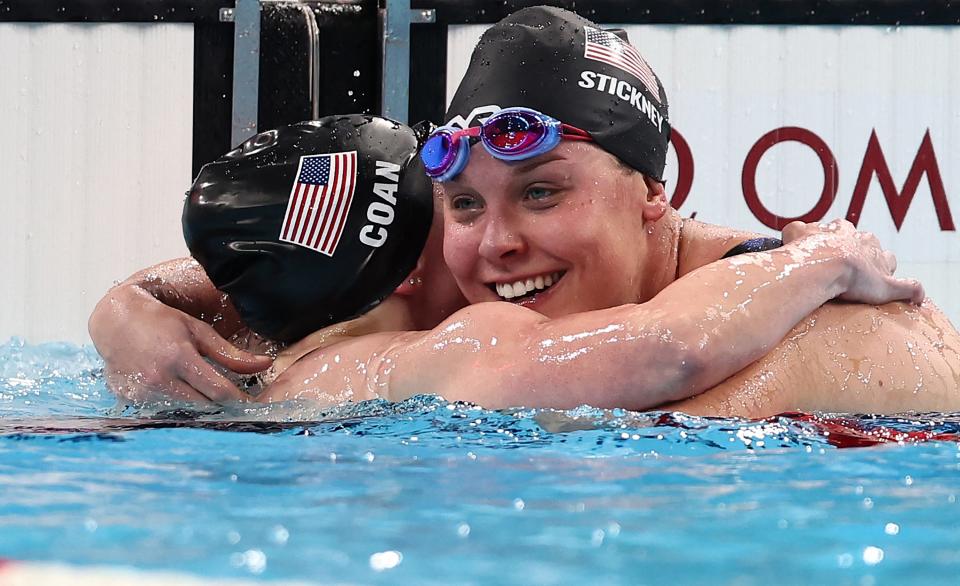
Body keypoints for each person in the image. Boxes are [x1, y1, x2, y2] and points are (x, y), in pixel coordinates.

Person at [90, 7, 953, 416]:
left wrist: (819, 268)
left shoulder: (823, 327)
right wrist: (125, 309)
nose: (495, 244)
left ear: (655, 192)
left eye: (543, 191)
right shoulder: (461, 311)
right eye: (462, 206)